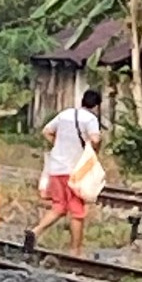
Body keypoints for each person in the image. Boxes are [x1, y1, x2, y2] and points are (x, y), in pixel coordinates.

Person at [24, 89, 102, 257]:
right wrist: (91, 152)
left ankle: (35, 232)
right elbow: (95, 139)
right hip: (75, 171)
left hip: (56, 167)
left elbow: (46, 131)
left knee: (59, 207)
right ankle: (75, 251)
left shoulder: (65, 113)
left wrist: (58, 145)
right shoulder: (91, 119)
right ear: (96, 106)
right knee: (77, 212)